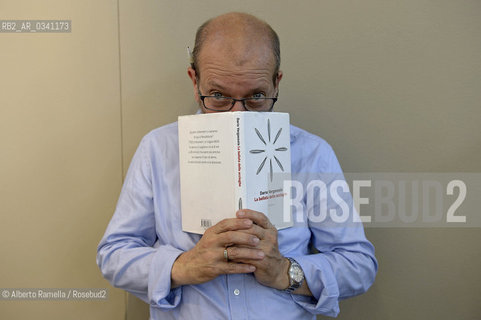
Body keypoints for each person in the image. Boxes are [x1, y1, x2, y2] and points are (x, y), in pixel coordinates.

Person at [97, 12, 377, 319]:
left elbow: (359, 266)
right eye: (218, 96)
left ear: (276, 83)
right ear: (194, 81)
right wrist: (184, 266)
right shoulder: (158, 149)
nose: (237, 114)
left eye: (256, 97)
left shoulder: (312, 154)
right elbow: (113, 255)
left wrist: (286, 271)